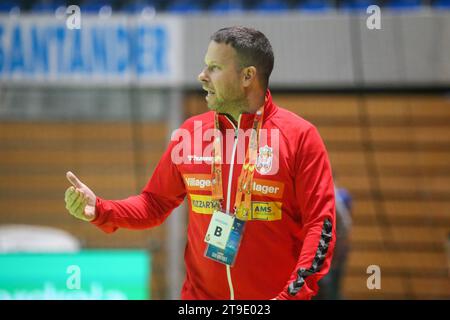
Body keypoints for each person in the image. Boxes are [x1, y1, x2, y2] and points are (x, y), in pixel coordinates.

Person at [64, 26, 336, 300]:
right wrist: (99, 208)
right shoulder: (191, 133)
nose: (202, 76)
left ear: (247, 76)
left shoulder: (300, 137)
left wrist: (292, 296)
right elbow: (153, 203)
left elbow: (320, 226)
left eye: (214, 68)